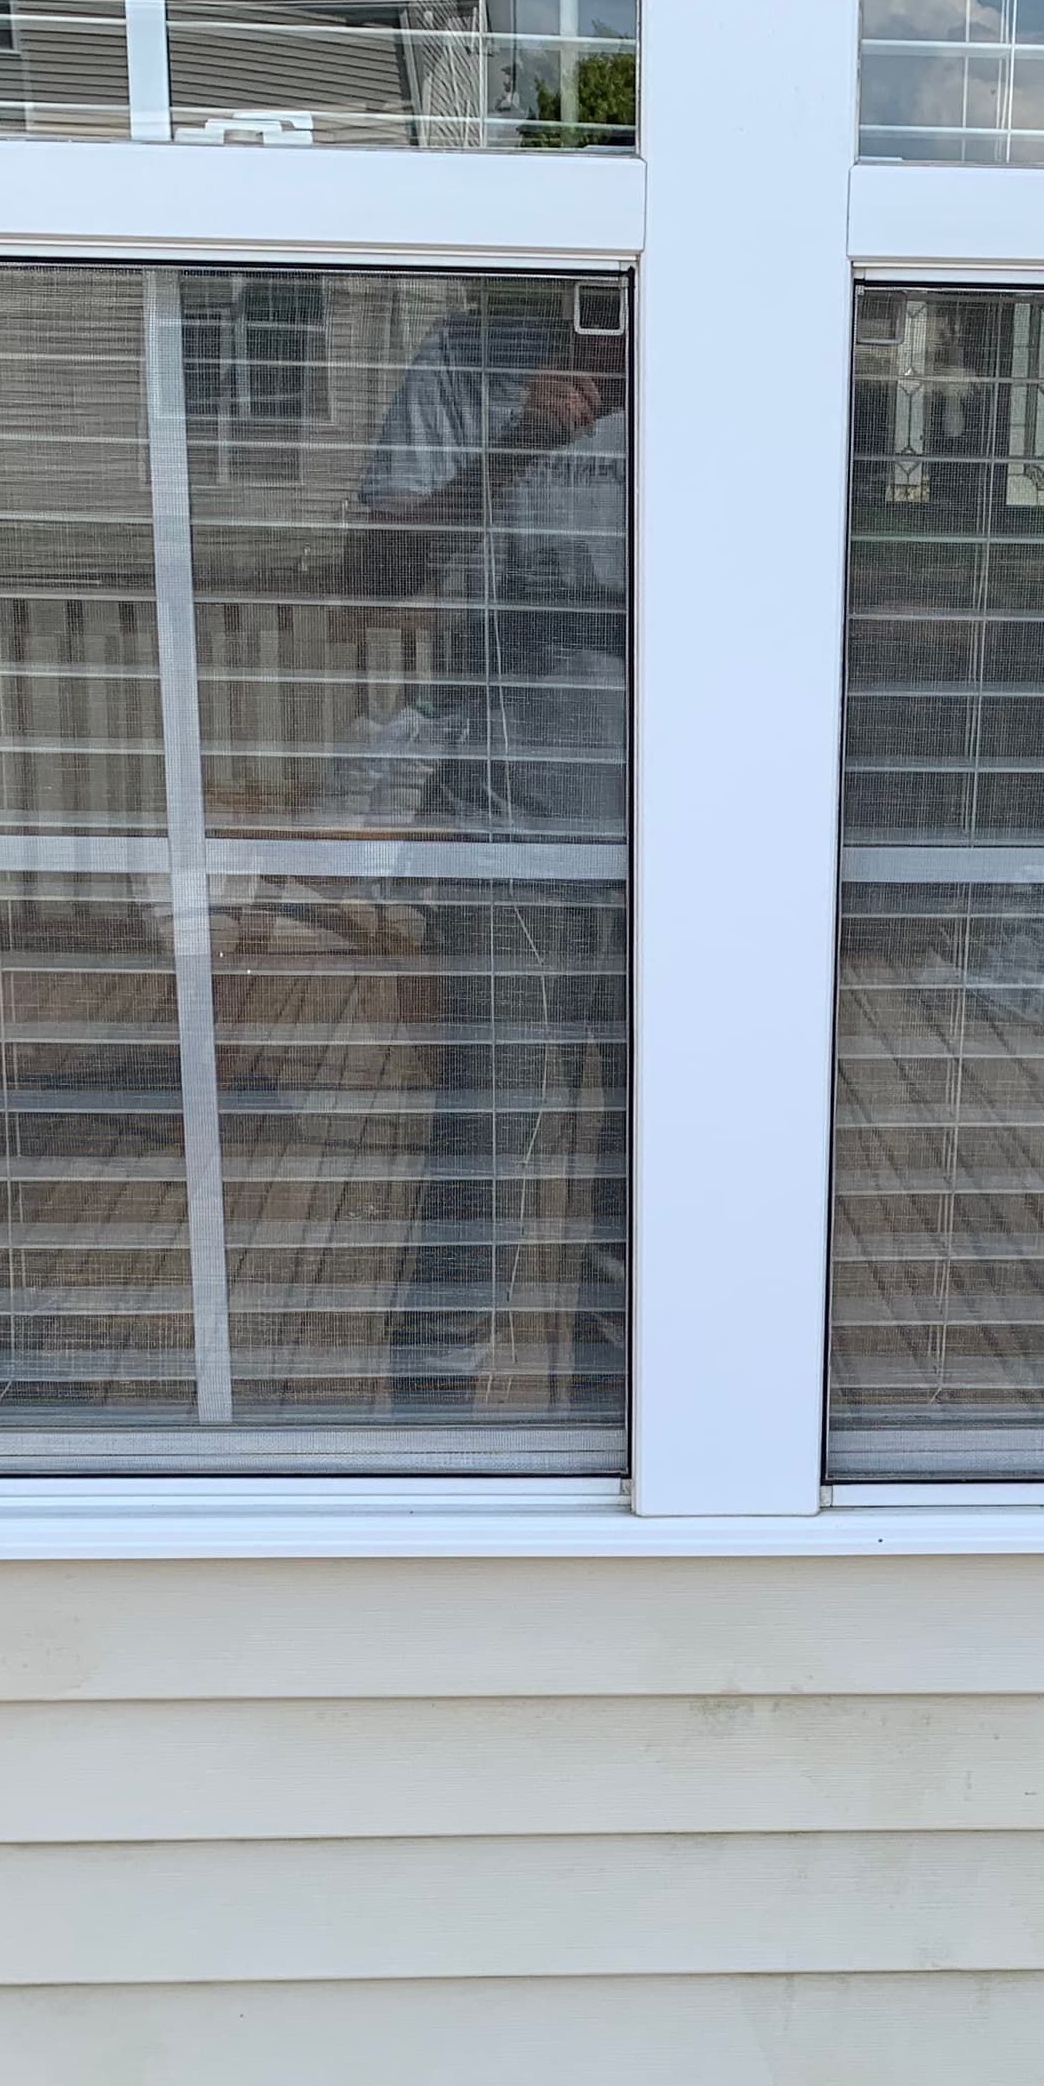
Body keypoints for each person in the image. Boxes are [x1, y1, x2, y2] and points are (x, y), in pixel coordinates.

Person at [341, 289, 632, 1411]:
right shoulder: (476, 357)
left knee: (654, 1184)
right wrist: (516, 445)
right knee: (486, 1166)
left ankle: (633, 1456)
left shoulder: (720, 352)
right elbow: (371, 573)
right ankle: (431, 1479)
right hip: (513, 831)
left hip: (701, 845)